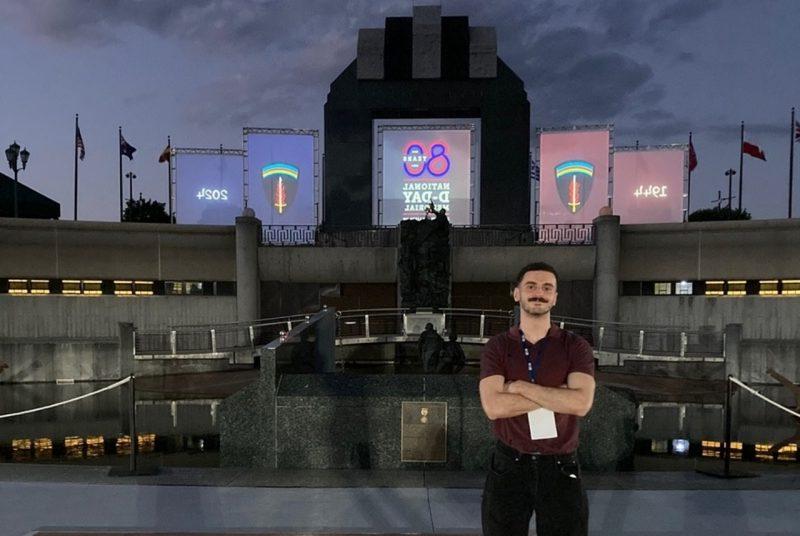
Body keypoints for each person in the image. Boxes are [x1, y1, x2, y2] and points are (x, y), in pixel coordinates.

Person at [479, 262, 596, 536]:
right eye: (531, 286)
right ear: (516, 293)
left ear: (555, 297)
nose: (539, 293)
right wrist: (560, 394)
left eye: (547, 288)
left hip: (561, 467)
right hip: (509, 466)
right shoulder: (498, 346)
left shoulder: (575, 346)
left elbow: (581, 404)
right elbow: (493, 407)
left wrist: (518, 387)